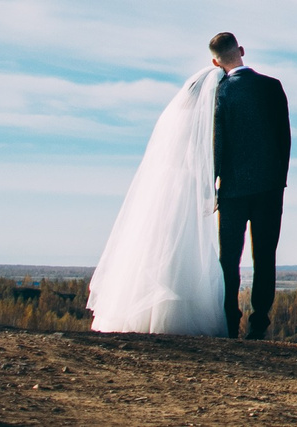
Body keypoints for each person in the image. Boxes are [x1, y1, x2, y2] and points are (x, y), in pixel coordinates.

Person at [87, 59, 227, 334]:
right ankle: (173, 319)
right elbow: (202, 160)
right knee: (182, 246)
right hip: (185, 187)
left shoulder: (176, 117)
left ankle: (139, 314)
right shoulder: (202, 122)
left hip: (166, 187)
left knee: (156, 242)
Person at [208, 31, 292, 339]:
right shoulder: (272, 87)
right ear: (241, 50)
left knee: (229, 257)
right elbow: (285, 138)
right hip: (270, 188)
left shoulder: (221, 92)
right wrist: (278, 180)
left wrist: (214, 182)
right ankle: (259, 323)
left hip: (231, 189)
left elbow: (218, 141)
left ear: (216, 61)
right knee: (265, 255)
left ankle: (231, 321)